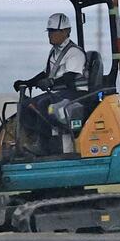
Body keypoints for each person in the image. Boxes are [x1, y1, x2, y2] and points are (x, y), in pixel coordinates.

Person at [13, 13, 87, 153]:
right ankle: (31, 140)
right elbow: (46, 73)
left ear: (66, 31)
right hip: (60, 92)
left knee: (42, 104)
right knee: (26, 105)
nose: (50, 35)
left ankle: (44, 146)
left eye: (54, 31)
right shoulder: (54, 52)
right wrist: (27, 82)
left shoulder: (74, 53)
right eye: (49, 31)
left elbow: (70, 77)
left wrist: (50, 82)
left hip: (76, 93)